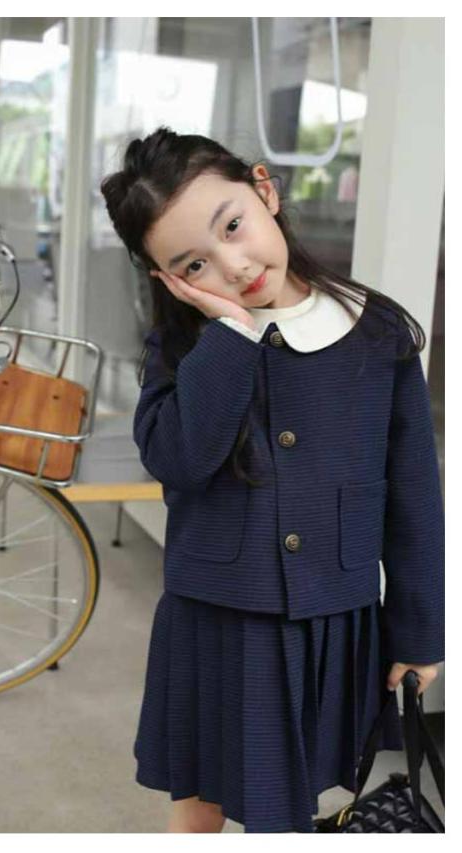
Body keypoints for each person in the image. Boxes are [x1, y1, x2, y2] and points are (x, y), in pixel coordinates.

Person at [100, 126, 444, 833]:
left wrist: (419, 631)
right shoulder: (189, 347)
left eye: (232, 225)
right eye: (194, 263)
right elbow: (177, 459)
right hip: (218, 618)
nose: (233, 265)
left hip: (332, 615)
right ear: (167, 280)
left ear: (265, 189)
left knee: (296, 807)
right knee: (200, 802)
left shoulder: (373, 329)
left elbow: (413, 493)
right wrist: (230, 331)